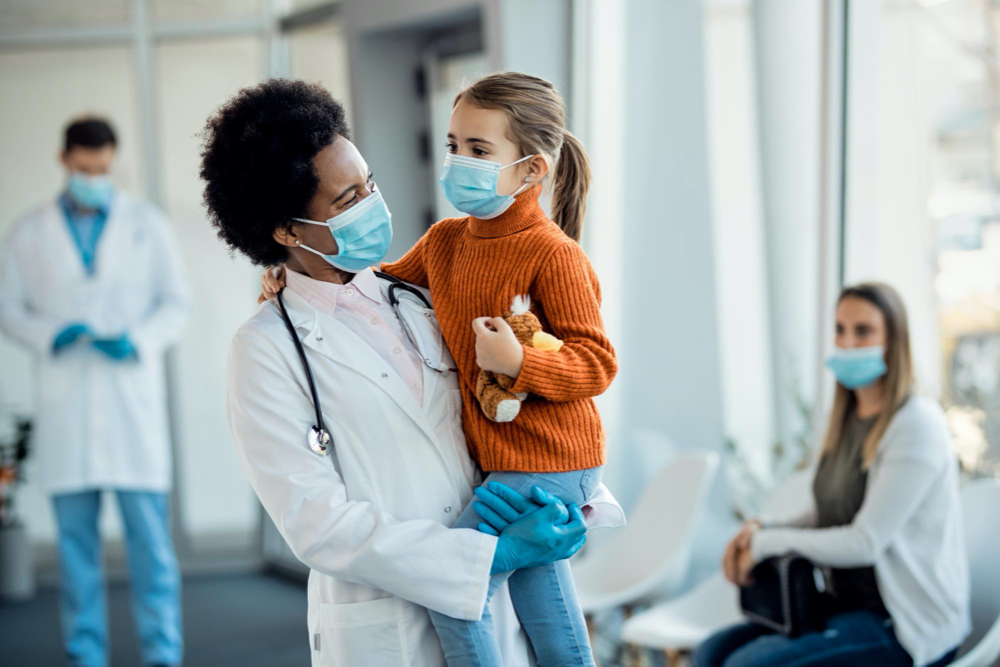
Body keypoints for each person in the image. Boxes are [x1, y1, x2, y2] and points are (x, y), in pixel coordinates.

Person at [201, 78, 624, 667]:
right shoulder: (267, 350)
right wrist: (485, 558)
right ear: (287, 231)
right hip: (391, 626)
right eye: (347, 201)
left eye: (368, 184)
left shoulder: (417, 292)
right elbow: (317, 525)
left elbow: (534, 407)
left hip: (500, 597)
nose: (373, 204)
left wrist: (570, 507)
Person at [694, 282, 970, 667]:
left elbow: (864, 542)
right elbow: (825, 510)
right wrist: (760, 526)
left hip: (903, 624)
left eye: (864, 331)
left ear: (894, 340)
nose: (848, 343)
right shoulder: (844, 418)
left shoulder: (916, 425)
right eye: (840, 329)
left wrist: (764, 545)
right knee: (710, 654)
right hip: (842, 604)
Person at [0, 117, 189, 667]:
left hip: (132, 403)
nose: (94, 178)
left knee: (151, 550)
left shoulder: (146, 225)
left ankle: (163, 655)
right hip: (68, 406)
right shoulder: (29, 231)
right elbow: (8, 309)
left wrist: (138, 340)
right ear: (65, 160)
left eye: (103, 169)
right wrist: (47, 334)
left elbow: (176, 303)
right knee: (76, 551)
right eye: (85, 169)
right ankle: (85, 655)